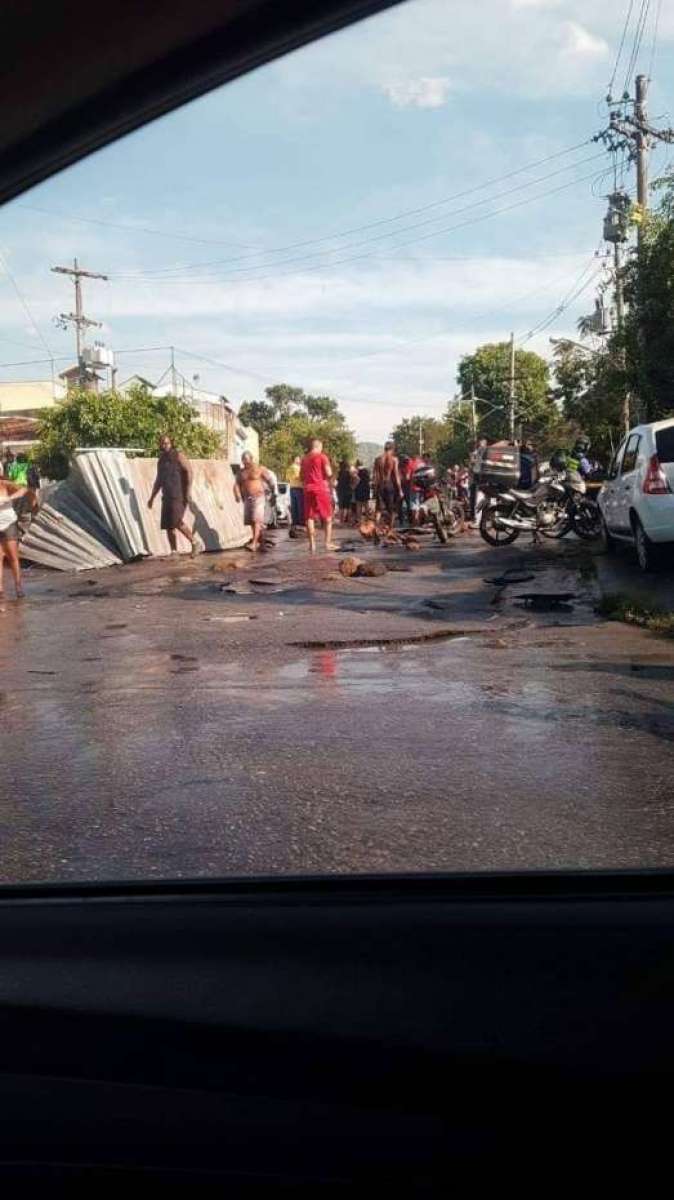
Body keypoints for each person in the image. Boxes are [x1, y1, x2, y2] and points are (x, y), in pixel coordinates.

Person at [148, 434, 205, 558]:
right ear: (160, 444)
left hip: (178, 494)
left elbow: (189, 471)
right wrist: (152, 497)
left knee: (176, 521)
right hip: (166, 495)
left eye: (167, 443)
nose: (165, 445)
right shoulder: (161, 460)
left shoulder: (178, 455)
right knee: (169, 524)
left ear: (171, 443)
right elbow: (158, 480)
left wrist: (188, 491)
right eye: (163, 443)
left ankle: (195, 543)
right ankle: (174, 552)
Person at [300, 437, 338, 554]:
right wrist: (332, 480)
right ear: (318, 446)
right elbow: (329, 473)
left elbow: (301, 476)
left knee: (309, 517)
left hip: (307, 489)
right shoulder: (322, 457)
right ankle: (327, 543)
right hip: (320, 488)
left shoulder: (304, 459)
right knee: (328, 517)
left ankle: (312, 545)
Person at [234, 451, 276, 553]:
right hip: (247, 499)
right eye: (243, 461)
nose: (245, 463)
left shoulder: (259, 469)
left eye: (247, 461)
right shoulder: (241, 472)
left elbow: (270, 481)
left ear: (251, 459)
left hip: (259, 497)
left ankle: (254, 543)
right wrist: (237, 495)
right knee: (252, 522)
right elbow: (236, 485)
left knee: (256, 520)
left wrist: (273, 494)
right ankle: (259, 541)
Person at [0, 477, 28, 599]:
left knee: (12, 557)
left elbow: (23, 490)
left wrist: (9, 498)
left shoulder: (4, 484)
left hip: (8, 523)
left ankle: (18, 586)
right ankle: (0, 589)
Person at [373, 441, 402, 528]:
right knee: (391, 509)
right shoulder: (394, 459)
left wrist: (375, 488)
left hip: (380, 485)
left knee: (378, 509)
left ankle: (376, 528)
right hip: (389, 485)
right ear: (392, 449)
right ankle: (390, 530)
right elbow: (396, 475)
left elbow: (375, 476)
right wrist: (400, 490)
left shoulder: (378, 459)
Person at [469, 436, 488, 521]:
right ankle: (474, 517)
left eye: (482, 442)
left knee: (483, 496)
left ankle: (482, 517)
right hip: (476, 476)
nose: (480, 444)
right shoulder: (476, 452)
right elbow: (472, 464)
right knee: (474, 497)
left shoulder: (487, 452)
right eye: (479, 443)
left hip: (483, 476)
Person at [287, 454, 304, 529]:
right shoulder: (297, 468)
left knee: (294, 506)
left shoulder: (289, 468)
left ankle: (295, 521)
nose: (300, 460)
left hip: (292, 488)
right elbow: (300, 477)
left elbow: (287, 478)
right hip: (299, 488)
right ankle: (301, 521)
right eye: (299, 459)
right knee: (300, 505)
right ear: (295, 459)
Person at [337, 459, 355, 525]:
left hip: (340, 491)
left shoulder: (339, 472)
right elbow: (356, 479)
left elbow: (337, 481)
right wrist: (353, 486)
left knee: (341, 507)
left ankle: (341, 521)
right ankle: (349, 521)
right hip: (348, 490)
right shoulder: (349, 473)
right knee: (348, 507)